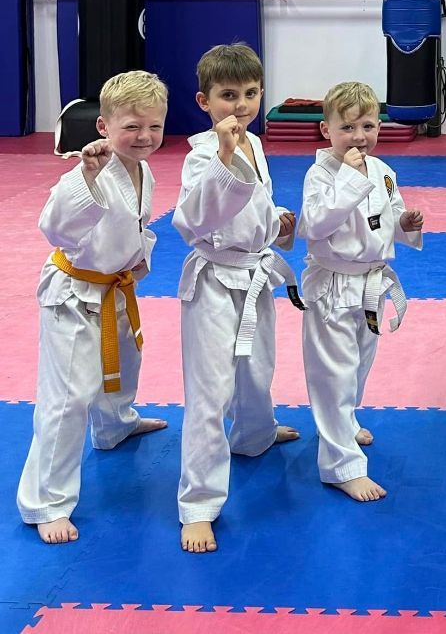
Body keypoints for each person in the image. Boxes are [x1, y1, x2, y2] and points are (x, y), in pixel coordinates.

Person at [16, 71, 169, 544]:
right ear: (104, 126)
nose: (144, 136)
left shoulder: (142, 170)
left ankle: (114, 426)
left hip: (114, 286)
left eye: (155, 126)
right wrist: (87, 176)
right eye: (132, 126)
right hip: (74, 295)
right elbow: (56, 228)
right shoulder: (88, 171)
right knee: (68, 398)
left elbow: (136, 225)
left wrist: (138, 259)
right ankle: (45, 502)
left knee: (123, 364)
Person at [174, 43, 303, 553]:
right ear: (204, 101)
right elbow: (192, 222)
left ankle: (254, 434)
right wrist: (224, 158)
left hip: (253, 274)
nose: (241, 105)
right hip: (213, 282)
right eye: (228, 95)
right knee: (210, 391)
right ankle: (198, 505)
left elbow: (256, 207)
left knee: (257, 368)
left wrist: (277, 222)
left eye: (250, 94)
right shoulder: (201, 155)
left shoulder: (255, 143)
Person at [297, 81, 423, 503]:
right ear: (326, 130)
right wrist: (349, 179)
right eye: (347, 127)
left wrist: (405, 224)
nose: (359, 137)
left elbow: (391, 213)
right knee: (333, 375)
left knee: (358, 367)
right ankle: (341, 466)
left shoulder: (383, 171)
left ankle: (344, 422)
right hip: (333, 285)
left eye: (367, 126)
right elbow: (314, 225)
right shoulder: (320, 174)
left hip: (371, 284)